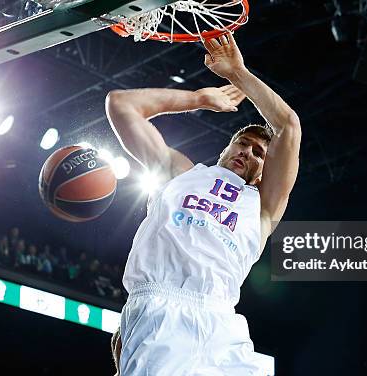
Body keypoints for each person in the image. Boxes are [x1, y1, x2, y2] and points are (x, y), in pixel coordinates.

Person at [106, 31, 301, 375]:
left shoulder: (263, 208)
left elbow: (288, 125)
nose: (248, 152)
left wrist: (237, 73)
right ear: (225, 149)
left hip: (223, 323)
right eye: (243, 143)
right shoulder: (180, 173)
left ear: (263, 173)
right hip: (160, 308)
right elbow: (121, 104)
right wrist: (196, 98)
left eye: (259, 153)